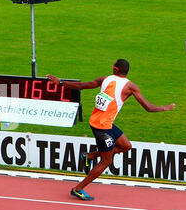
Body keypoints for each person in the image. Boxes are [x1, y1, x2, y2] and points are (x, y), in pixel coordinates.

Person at [46, 59, 175, 201]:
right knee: (106, 162)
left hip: (104, 123)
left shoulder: (104, 79)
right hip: (102, 127)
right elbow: (148, 108)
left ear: (115, 69)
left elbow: (81, 86)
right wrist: (165, 108)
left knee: (126, 146)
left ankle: (89, 156)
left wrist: (61, 82)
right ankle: (78, 189)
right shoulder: (131, 86)